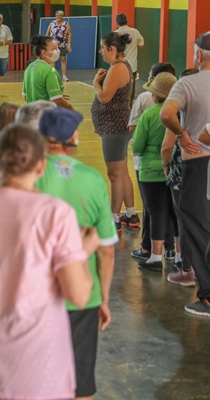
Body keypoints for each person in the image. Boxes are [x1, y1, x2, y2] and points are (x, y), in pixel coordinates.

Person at [0, 123, 97, 400]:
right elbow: (78, 295)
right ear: (41, 166)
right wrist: (83, 249)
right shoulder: (55, 213)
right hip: (36, 364)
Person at [35, 108, 118, 400]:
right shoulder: (92, 179)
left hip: (32, 296)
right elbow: (106, 250)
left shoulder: (20, 177)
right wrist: (104, 299)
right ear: (71, 138)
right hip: (81, 295)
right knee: (80, 383)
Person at [160, 32, 210, 316]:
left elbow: (167, 113)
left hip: (199, 163)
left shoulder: (187, 83)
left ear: (198, 55)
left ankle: (208, 296)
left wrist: (181, 135)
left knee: (198, 228)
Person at [128, 62, 176, 260]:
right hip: (174, 168)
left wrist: (134, 145)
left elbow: (137, 143)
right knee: (173, 211)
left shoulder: (148, 112)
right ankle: (174, 251)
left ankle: (152, 253)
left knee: (153, 211)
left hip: (149, 169)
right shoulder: (178, 111)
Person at [91, 32, 138, 231]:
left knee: (114, 175)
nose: (101, 52)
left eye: (103, 48)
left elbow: (104, 98)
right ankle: (131, 213)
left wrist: (95, 83)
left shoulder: (118, 68)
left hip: (114, 127)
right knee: (122, 173)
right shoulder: (117, 67)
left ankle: (113, 218)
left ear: (112, 49)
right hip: (115, 126)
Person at [162, 67, 199, 286]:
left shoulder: (178, 113)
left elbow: (167, 147)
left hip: (181, 170)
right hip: (203, 169)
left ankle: (187, 269)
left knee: (185, 221)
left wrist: (166, 166)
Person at [23, 35, 74, 109]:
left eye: (57, 48)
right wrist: (71, 109)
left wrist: (54, 95)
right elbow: (57, 100)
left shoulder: (30, 67)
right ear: (44, 53)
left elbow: (25, 96)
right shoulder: (50, 71)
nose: (57, 51)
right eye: (54, 49)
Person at [114, 13, 144, 105]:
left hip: (118, 65)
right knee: (131, 86)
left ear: (117, 23)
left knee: (118, 86)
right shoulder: (135, 32)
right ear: (127, 21)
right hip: (132, 64)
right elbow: (141, 45)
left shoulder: (114, 34)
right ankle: (129, 105)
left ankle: (119, 104)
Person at [46, 10, 73, 82]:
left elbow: (69, 34)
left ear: (62, 16)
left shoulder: (66, 24)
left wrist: (69, 45)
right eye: (57, 16)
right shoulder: (52, 23)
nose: (58, 17)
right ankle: (53, 75)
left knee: (63, 59)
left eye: (60, 16)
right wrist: (47, 43)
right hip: (53, 46)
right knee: (53, 60)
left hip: (62, 45)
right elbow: (47, 33)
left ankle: (64, 75)